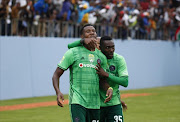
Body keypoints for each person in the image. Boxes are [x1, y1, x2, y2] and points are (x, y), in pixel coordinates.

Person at [52, 24, 113, 122]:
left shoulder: (101, 57)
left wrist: (109, 88)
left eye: (93, 31)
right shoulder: (73, 52)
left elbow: (102, 80)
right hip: (77, 102)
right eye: (88, 31)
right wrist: (58, 91)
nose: (92, 33)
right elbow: (56, 74)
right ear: (82, 37)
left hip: (95, 104)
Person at [68, 36, 129, 122]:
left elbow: (125, 82)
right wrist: (84, 40)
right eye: (107, 47)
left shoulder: (119, 59)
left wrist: (106, 74)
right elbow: (70, 46)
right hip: (97, 105)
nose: (111, 50)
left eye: (112, 47)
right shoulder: (93, 59)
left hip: (114, 104)